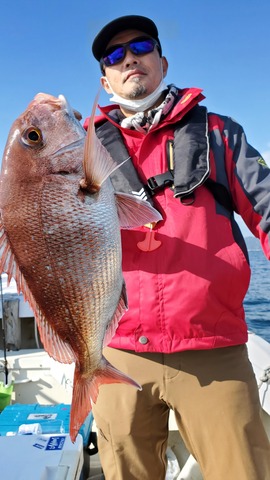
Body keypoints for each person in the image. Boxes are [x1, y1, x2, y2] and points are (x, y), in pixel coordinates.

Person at [86, 14, 270, 480]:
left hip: (214, 348)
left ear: (162, 62)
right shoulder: (82, 152)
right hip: (117, 353)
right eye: (114, 55)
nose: (129, 58)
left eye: (141, 47)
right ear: (105, 79)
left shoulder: (221, 134)